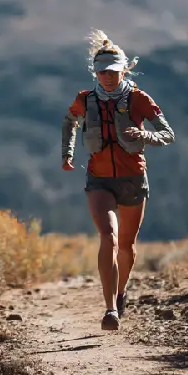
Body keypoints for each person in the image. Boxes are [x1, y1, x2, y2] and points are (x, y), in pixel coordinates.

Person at [61, 29, 176, 331]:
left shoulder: (138, 99)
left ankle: (121, 292)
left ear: (124, 69)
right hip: (99, 179)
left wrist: (145, 135)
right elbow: (70, 122)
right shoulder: (85, 100)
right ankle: (110, 309)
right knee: (108, 236)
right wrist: (67, 152)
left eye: (113, 71)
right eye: (102, 72)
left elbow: (168, 134)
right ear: (95, 73)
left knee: (126, 245)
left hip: (133, 178)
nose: (108, 77)